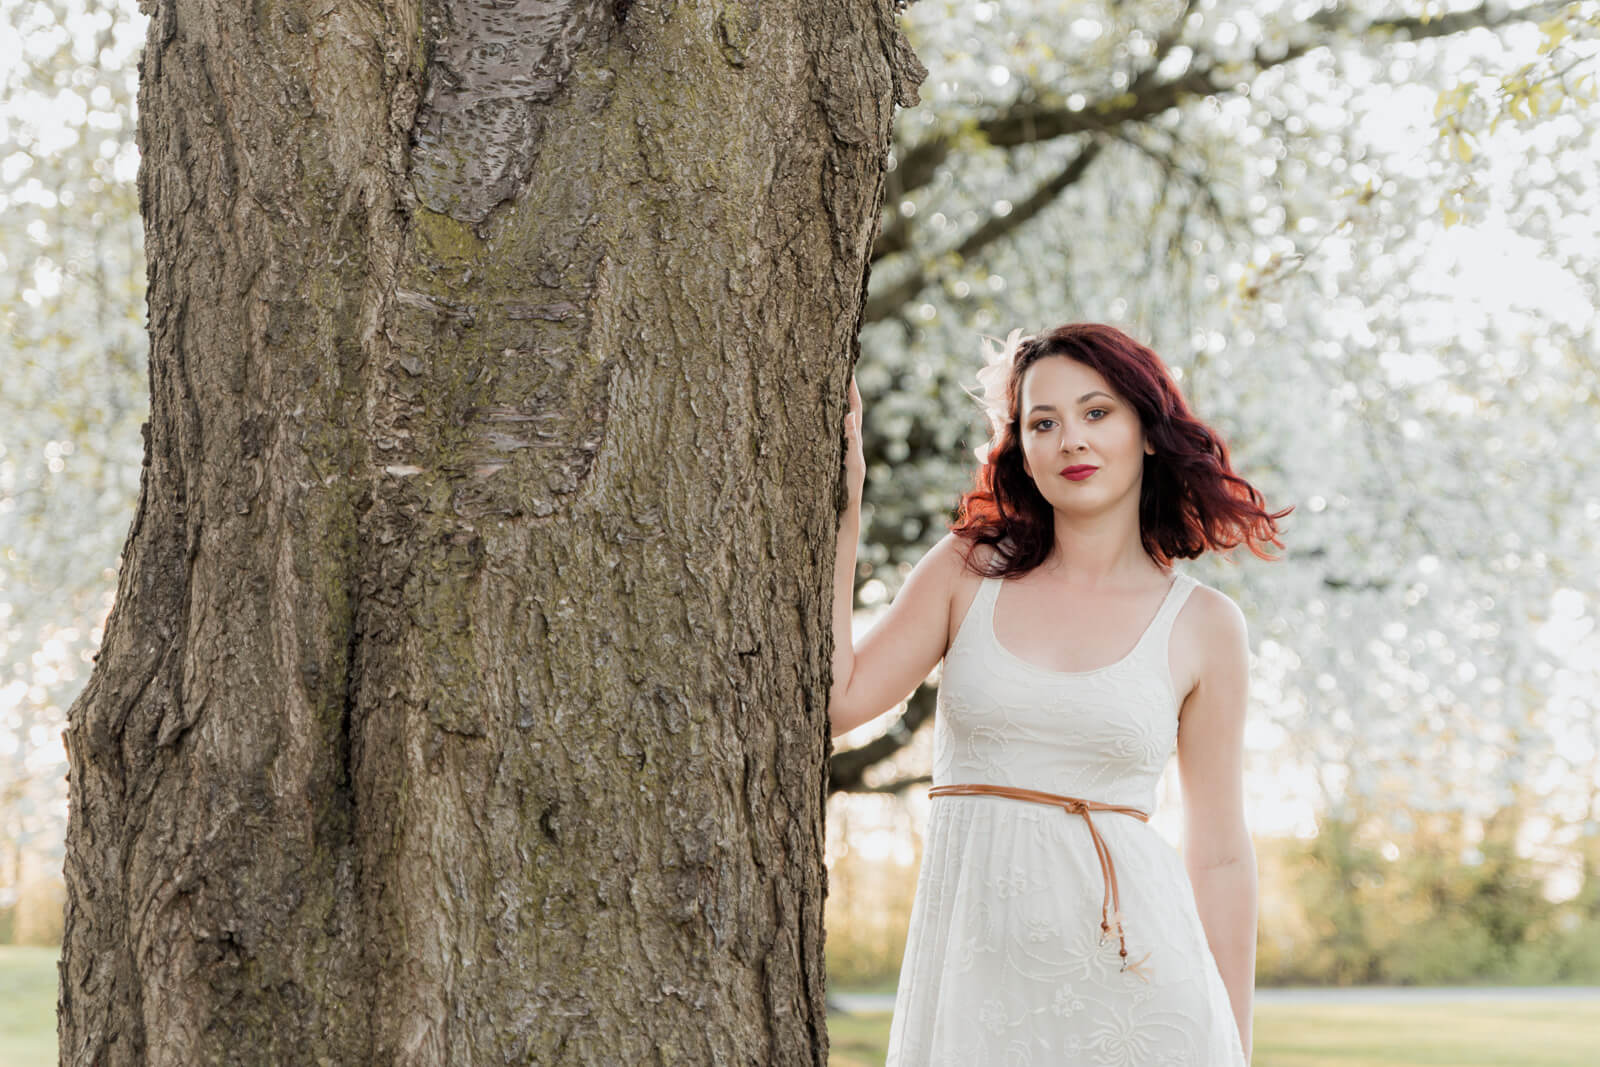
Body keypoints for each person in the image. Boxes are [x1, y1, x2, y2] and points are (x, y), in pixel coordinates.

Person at [828, 322, 1289, 1065]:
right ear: (1023, 449)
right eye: (1044, 422)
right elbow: (837, 700)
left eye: (1096, 412)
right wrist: (844, 504)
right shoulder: (967, 570)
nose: (1071, 438)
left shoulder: (1204, 625)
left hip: (1138, 992)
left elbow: (1221, 853)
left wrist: (1234, 1041)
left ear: (1146, 429)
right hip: (974, 987)